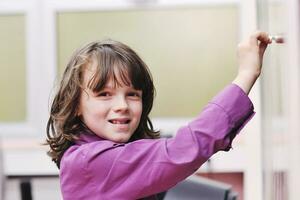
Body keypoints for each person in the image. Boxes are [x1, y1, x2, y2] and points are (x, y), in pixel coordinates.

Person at [46, 31, 272, 200]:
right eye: (104, 94)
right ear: (75, 104)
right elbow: (180, 152)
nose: (122, 105)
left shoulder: (110, 154)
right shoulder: (89, 162)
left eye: (132, 94)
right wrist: (246, 73)